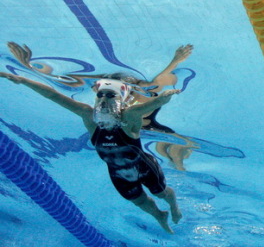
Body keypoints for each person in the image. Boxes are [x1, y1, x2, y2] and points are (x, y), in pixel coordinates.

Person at [0, 72, 185, 233]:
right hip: (117, 173)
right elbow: (52, 95)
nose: (104, 99)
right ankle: (160, 215)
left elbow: (153, 104)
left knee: (161, 193)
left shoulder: (129, 117)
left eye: (110, 95)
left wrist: (164, 97)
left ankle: (174, 207)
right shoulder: (88, 116)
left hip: (144, 167)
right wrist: (22, 80)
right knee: (140, 201)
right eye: (100, 95)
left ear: (120, 100)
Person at [6, 42, 198, 170]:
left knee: (180, 146)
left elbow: (158, 81)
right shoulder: (109, 101)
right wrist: (28, 66)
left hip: (149, 126)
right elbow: (59, 83)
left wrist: (176, 60)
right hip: (134, 130)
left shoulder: (142, 96)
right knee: (172, 147)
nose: (105, 98)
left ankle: (178, 166)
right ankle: (177, 164)